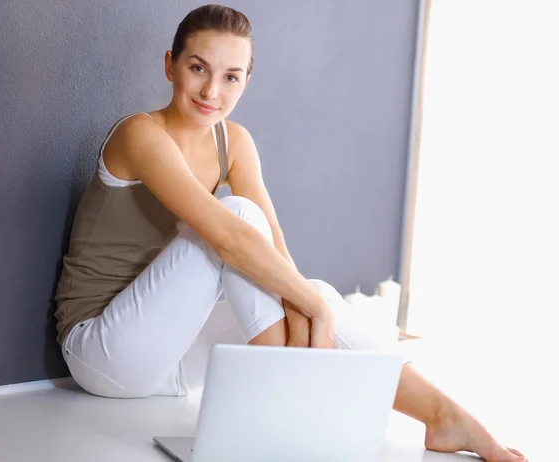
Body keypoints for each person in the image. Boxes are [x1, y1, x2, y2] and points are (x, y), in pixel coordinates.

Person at [54, 5, 526, 461]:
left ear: (246, 82)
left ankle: (443, 416)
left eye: (231, 77)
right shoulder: (140, 134)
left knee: (305, 286)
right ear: (169, 65)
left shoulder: (233, 141)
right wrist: (312, 308)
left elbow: (273, 247)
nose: (211, 90)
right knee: (238, 219)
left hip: (168, 355)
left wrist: (308, 306)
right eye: (198, 68)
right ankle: (289, 407)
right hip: (102, 351)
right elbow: (228, 237)